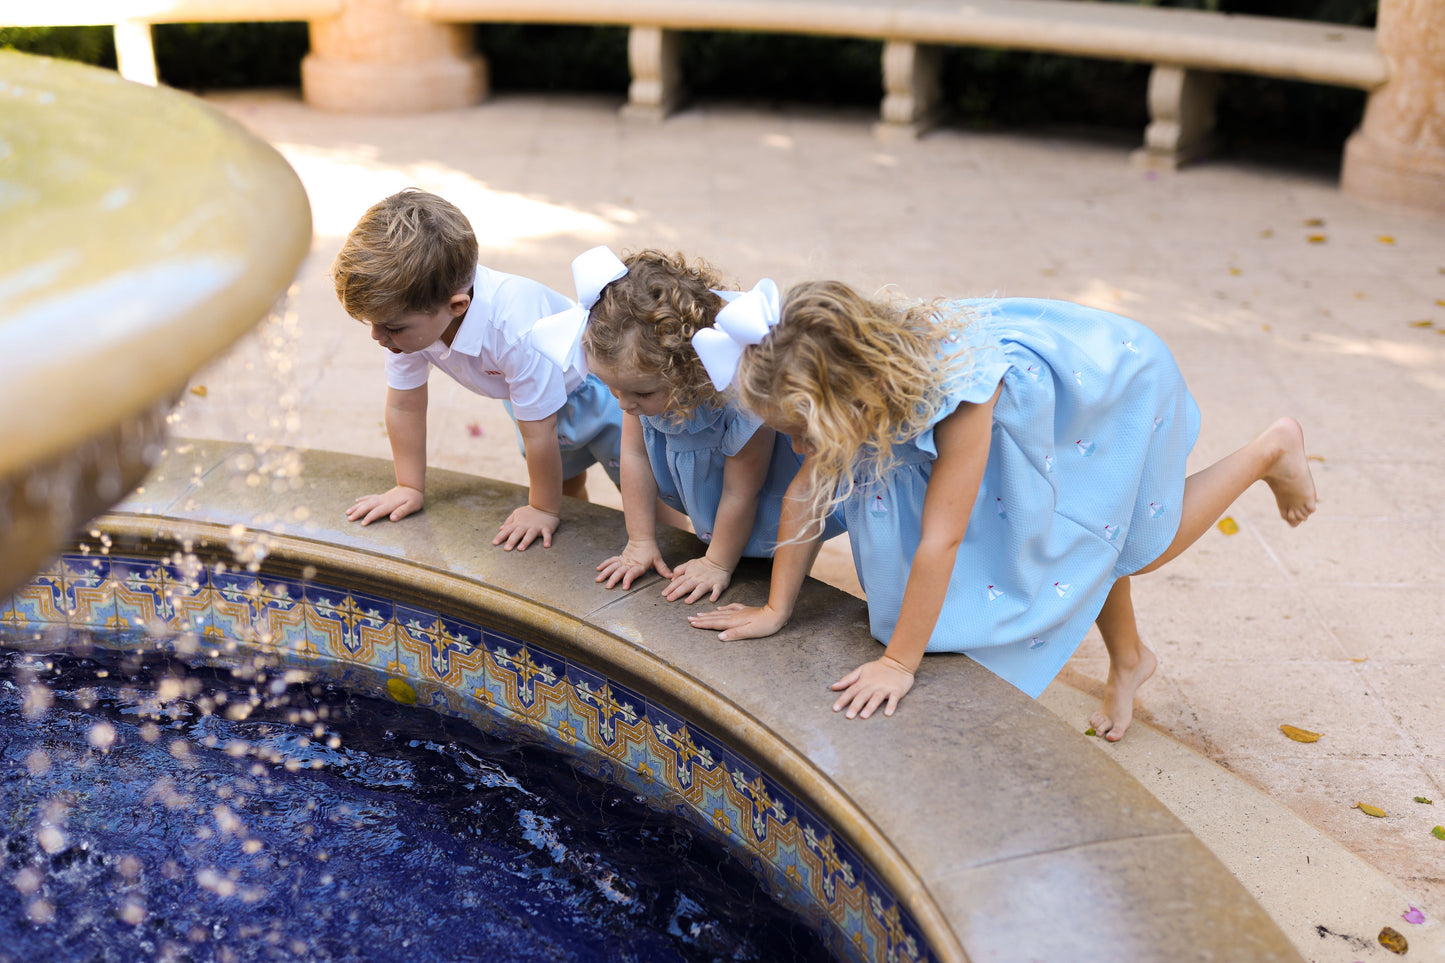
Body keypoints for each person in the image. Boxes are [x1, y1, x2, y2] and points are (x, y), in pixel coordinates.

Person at [688, 282, 1316, 739]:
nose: (798, 449)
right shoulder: (840, 372)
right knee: (1081, 546)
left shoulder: (959, 404)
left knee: (1132, 540)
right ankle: (1131, 659)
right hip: (1029, 413)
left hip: (1107, 388)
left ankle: (1268, 451)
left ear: (849, 406)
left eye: (803, 433)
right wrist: (776, 609)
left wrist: (898, 662)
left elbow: (942, 540)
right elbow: (804, 490)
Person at [532, 247, 842, 603]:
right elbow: (634, 457)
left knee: (778, 556)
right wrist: (640, 541)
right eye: (612, 387)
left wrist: (717, 564)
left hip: (764, 494)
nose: (623, 404)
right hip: (721, 495)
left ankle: (783, 586)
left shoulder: (741, 400)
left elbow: (741, 492)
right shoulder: (637, 392)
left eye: (641, 392)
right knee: (722, 534)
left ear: (688, 371)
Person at [331, 189, 622, 550]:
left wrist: (542, 509)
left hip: (603, 392)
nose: (377, 336)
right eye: (372, 324)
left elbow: (538, 431)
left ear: (456, 305)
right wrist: (408, 486)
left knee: (643, 487)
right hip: (532, 401)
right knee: (568, 484)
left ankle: (666, 557)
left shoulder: (514, 330)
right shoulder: (409, 321)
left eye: (390, 327)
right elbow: (405, 404)